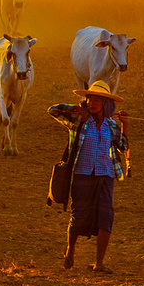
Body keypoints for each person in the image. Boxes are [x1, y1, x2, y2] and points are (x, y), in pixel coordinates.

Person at [48, 80, 131, 274]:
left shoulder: (111, 125)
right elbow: (53, 110)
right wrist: (76, 109)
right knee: (78, 216)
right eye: (89, 99)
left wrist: (124, 124)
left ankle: (99, 262)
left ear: (106, 104)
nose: (92, 103)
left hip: (105, 175)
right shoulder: (78, 120)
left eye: (97, 100)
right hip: (82, 174)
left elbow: (124, 146)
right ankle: (71, 250)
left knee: (106, 218)